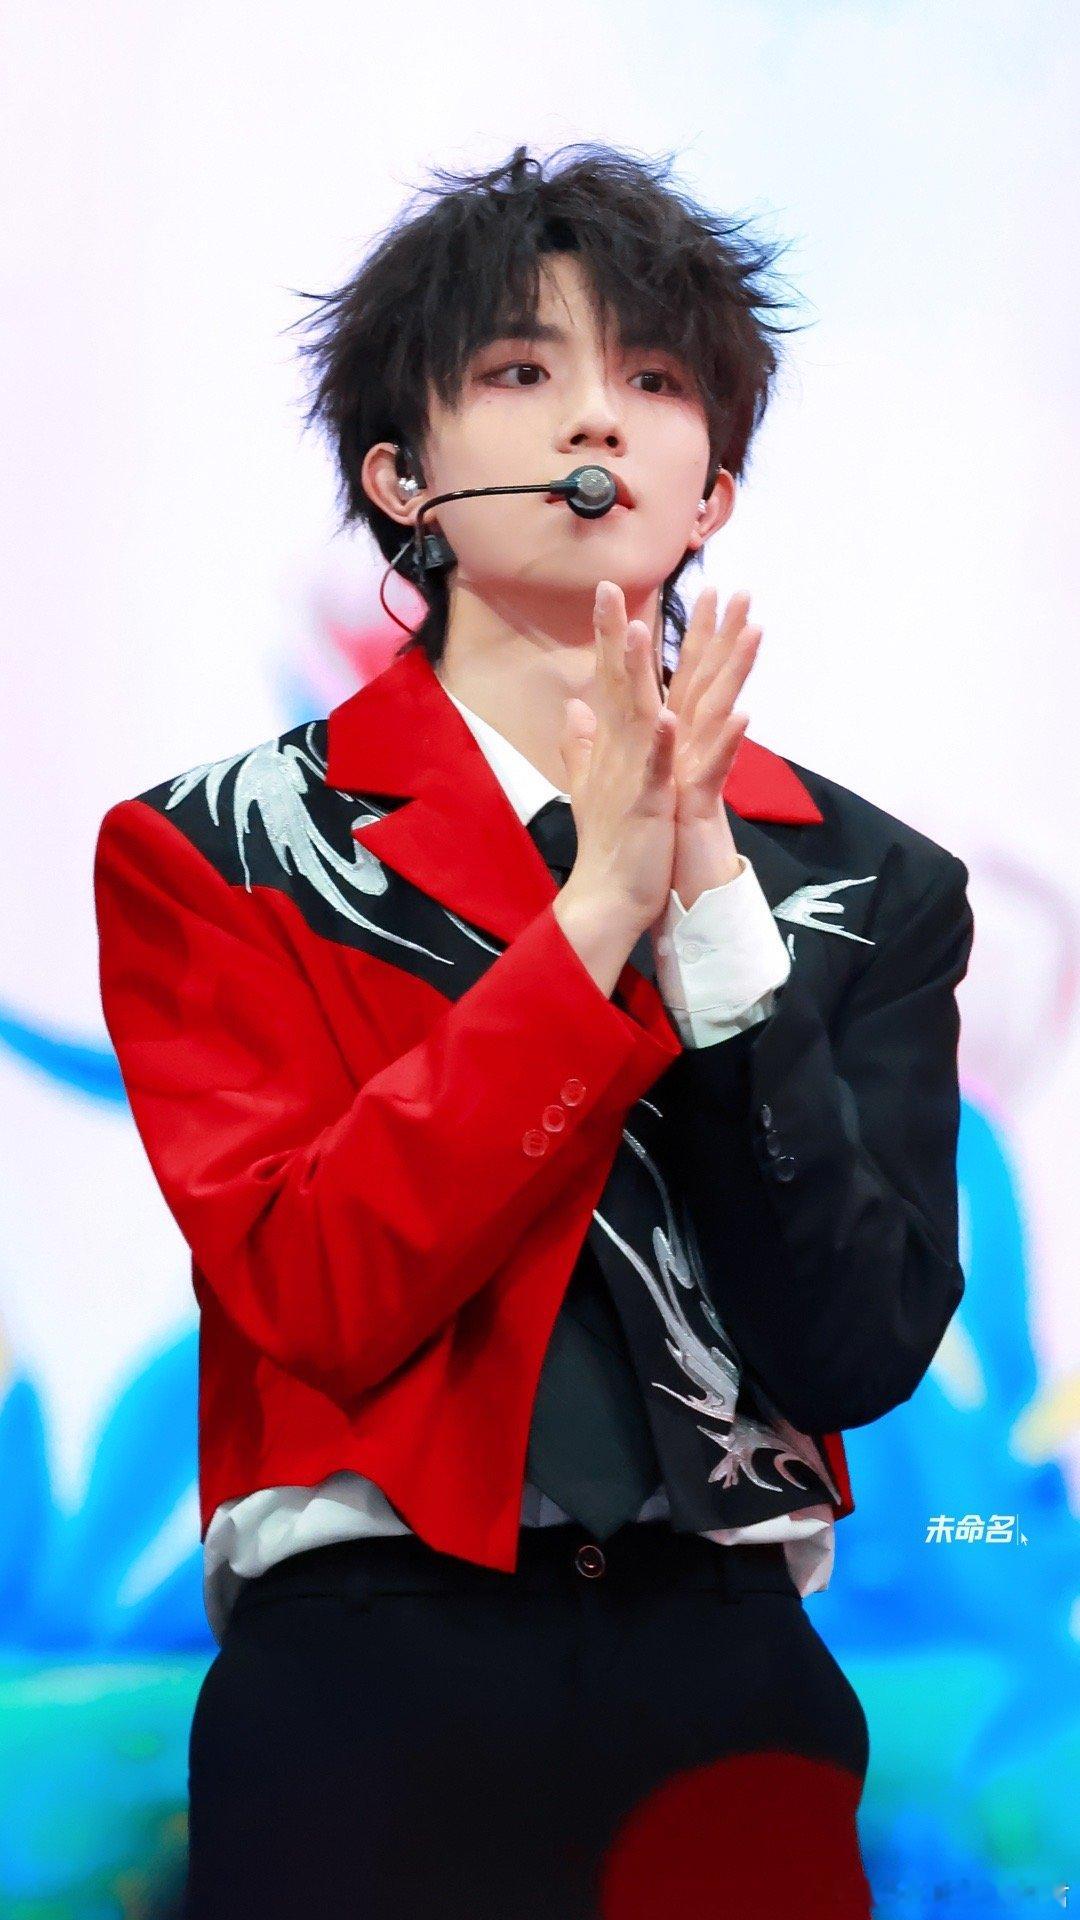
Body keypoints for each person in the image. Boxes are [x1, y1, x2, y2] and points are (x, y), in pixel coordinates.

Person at [93, 142, 974, 1918]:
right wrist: (592, 917)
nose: (595, 420)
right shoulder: (222, 852)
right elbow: (317, 1285)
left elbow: (854, 1344)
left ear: (712, 489)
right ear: (401, 477)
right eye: (520, 371)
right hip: (365, 1679)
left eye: (652, 380)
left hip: (727, 1679)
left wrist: (705, 898)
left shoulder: (868, 880)